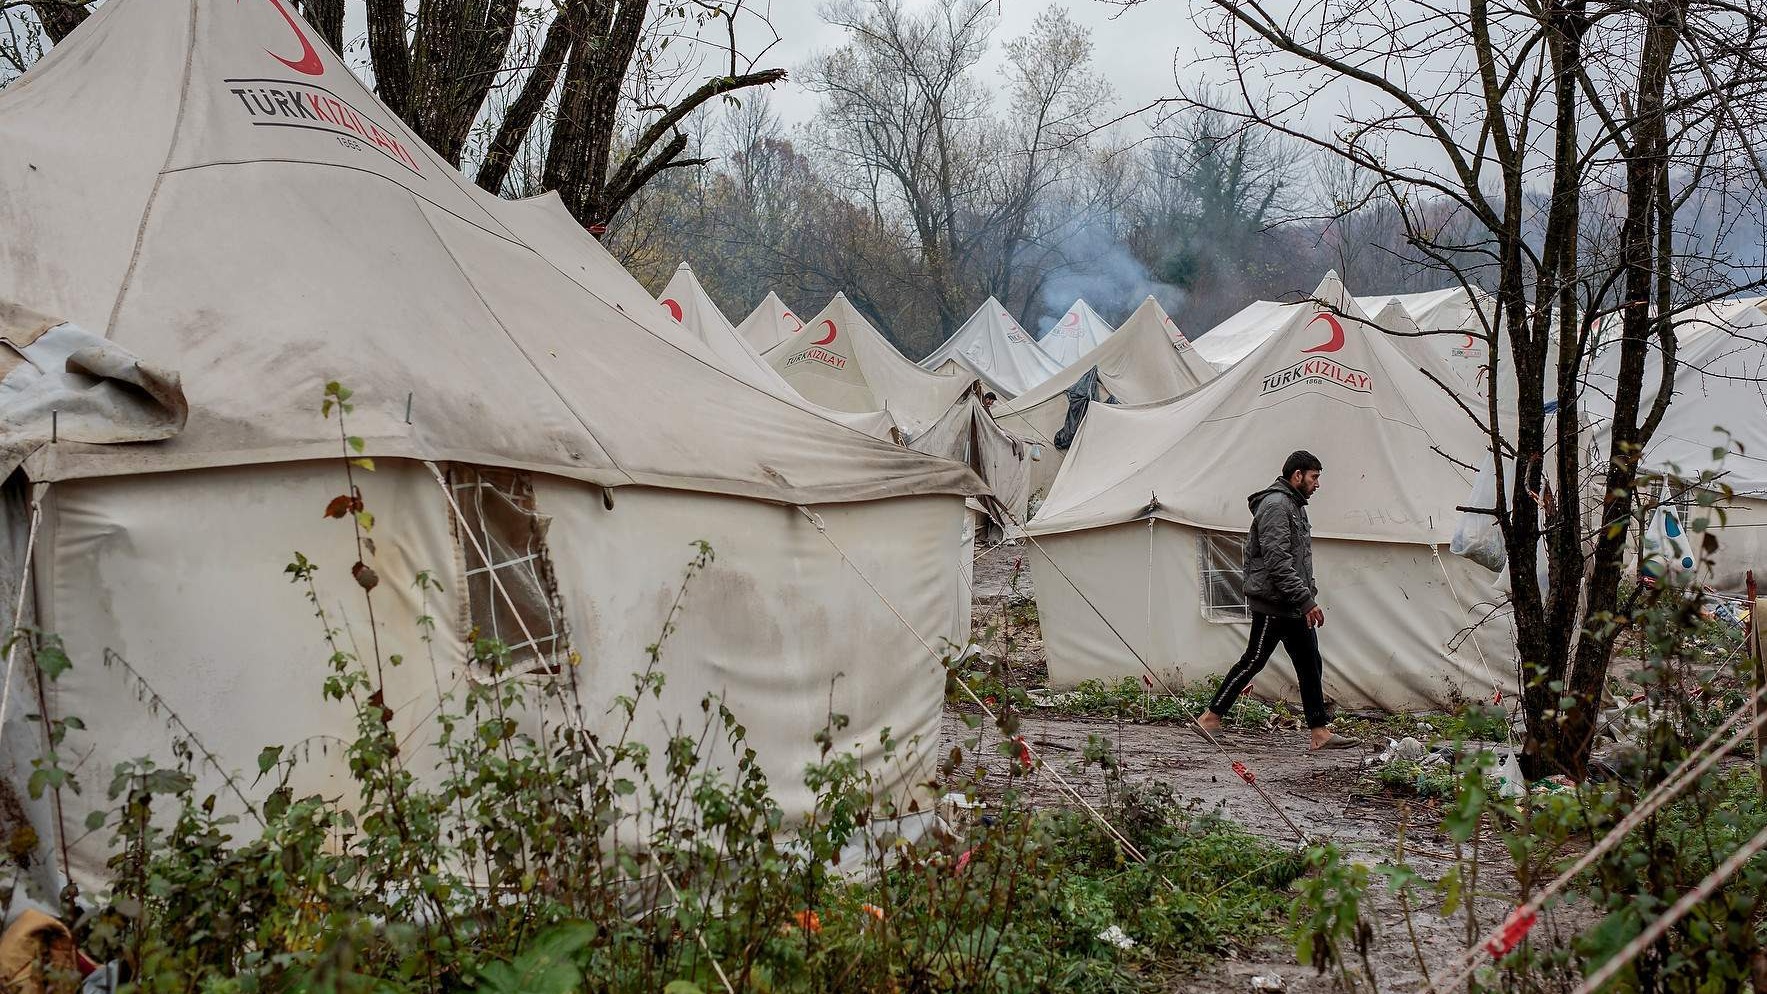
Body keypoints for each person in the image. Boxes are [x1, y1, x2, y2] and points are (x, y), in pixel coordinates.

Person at [1196, 450, 1360, 751]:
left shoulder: (1295, 507)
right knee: (1254, 659)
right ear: (1297, 475)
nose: (1317, 484)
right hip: (1274, 602)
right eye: (1314, 477)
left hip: (1292, 603)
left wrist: (1305, 598)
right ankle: (1210, 717)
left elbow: (1299, 560)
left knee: (1310, 662)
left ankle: (1319, 732)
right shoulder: (1275, 506)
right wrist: (1307, 600)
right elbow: (1277, 562)